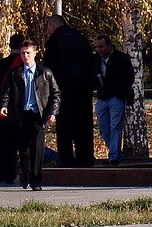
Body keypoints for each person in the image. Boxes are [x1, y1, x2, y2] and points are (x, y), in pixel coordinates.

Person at [0, 39, 60, 191]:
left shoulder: (44, 73)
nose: (25, 56)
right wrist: (3, 106)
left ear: (35, 53)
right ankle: (25, 177)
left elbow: (56, 93)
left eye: (28, 53)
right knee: (23, 149)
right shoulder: (14, 72)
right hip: (20, 114)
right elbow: (5, 91)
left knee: (37, 149)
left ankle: (36, 180)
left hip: (38, 114)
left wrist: (52, 112)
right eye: (22, 53)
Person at [44, 14, 95, 167]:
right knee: (84, 125)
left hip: (63, 89)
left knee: (65, 126)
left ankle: (66, 160)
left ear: (52, 26)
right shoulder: (80, 37)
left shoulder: (55, 40)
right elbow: (91, 62)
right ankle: (85, 158)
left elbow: (49, 67)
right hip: (84, 89)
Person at [93, 34, 135, 166]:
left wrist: (121, 93)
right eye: (97, 47)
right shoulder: (95, 60)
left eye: (102, 46)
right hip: (102, 97)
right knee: (103, 127)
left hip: (116, 97)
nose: (99, 50)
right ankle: (115, 152)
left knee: (115, 126)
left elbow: (129, 78)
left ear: (109, 46)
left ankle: (114, 157)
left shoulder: (121, 58)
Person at [0, 34, 25, 185]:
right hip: (20, 107)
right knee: (22, 142)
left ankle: (4, 172)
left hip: (4, 108)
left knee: (4, 142)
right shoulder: (24, 63)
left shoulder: (0, 64)